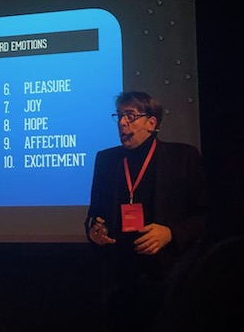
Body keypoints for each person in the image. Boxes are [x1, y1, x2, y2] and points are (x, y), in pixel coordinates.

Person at [84, 91, 210, 332]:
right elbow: (94, 214)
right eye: (119, 116)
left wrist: (171, 233)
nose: (122, 123)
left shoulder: (182, 157)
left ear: (152, 123)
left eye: (130, 116)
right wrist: (94, 230)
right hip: (119, 280)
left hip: (168, 276)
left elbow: (207, 217)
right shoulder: (106, 160)